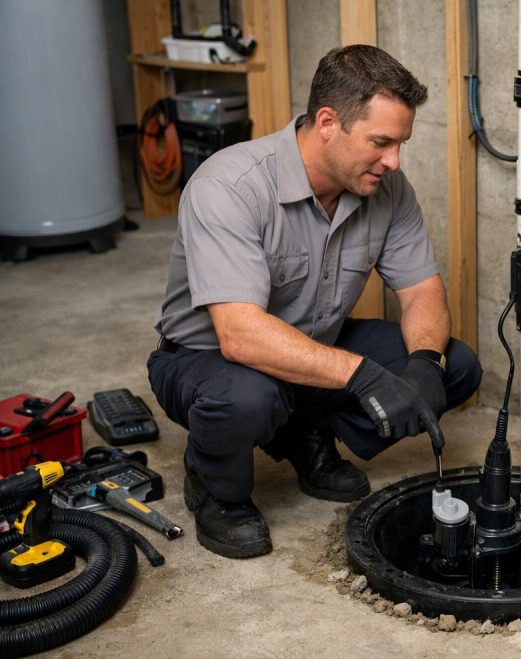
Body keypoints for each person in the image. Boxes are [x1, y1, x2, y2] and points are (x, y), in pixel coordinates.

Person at [148, 45, 482, 560]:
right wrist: (363, 376)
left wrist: (422, 365)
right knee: (247, 398)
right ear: (327, 122)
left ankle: (304, 433)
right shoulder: (231, 185)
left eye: (401, 144)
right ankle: (216, 484)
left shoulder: (387, 188)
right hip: (206, 360)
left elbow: (422, 292)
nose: (393, 161)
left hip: (313, 350)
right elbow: (239, 334)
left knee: (455, 365)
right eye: (381, 142)